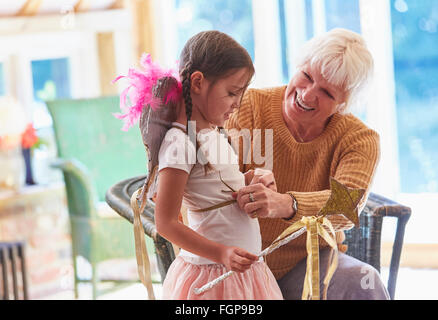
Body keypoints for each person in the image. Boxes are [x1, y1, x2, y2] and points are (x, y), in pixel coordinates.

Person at [225, 28, 390, 300]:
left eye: (326, 92)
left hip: (308, 265)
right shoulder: (249, 107)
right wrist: (244, 183)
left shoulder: (359, 138)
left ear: (343, 103)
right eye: (307, 76)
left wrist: (287, 204)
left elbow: (346, 206)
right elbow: (212, 182)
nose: (308, 95)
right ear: (297, 66)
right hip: (239, 263)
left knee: (364, 281)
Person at [154, 30, 283, 300]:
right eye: (232, 93)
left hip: (244, 274)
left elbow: (216, 189)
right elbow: (165, 222)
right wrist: (221, 253)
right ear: (198, 82)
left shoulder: (214, 132)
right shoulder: (180, 143)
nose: (237, 104)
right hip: (213, 278)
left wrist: (250, 181)